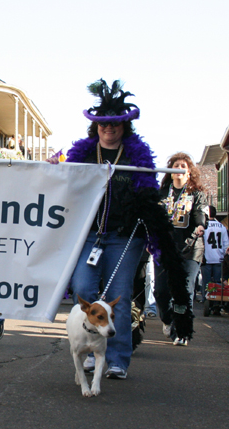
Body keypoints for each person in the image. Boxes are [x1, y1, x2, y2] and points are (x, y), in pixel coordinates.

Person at [48, 79, 189, 379]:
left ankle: (117, 359)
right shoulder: (83, 156)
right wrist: (53, 170)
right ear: (95, 127)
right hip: (89, 236)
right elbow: (65, 189)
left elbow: (149, 199)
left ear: (124, 126)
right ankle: (89, 349)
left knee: (119, 295)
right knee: (84, 289)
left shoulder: (136, 158)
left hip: (125, 238)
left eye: (115, 125)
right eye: (103, 125)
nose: (109, 130)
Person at [154, 152, 206, 345]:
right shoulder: (162, 193)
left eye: (183, 166)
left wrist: (201, 224)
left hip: (191, 247)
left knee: (185, 289)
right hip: (165, 248)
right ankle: (168, 319)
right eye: (175, 165)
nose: (179, 169)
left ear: (189, 172)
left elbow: (200, 212)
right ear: (170, 171)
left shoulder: (196, 194)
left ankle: (182, 331)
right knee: (161, 291)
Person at [201, 205, 229, 315]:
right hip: (219, 258)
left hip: (206, 258)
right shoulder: (222, 227)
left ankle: (207, 301)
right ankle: (217, 303)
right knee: (218, 282)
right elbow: (226, 244)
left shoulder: (204, 226)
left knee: (207, 282)